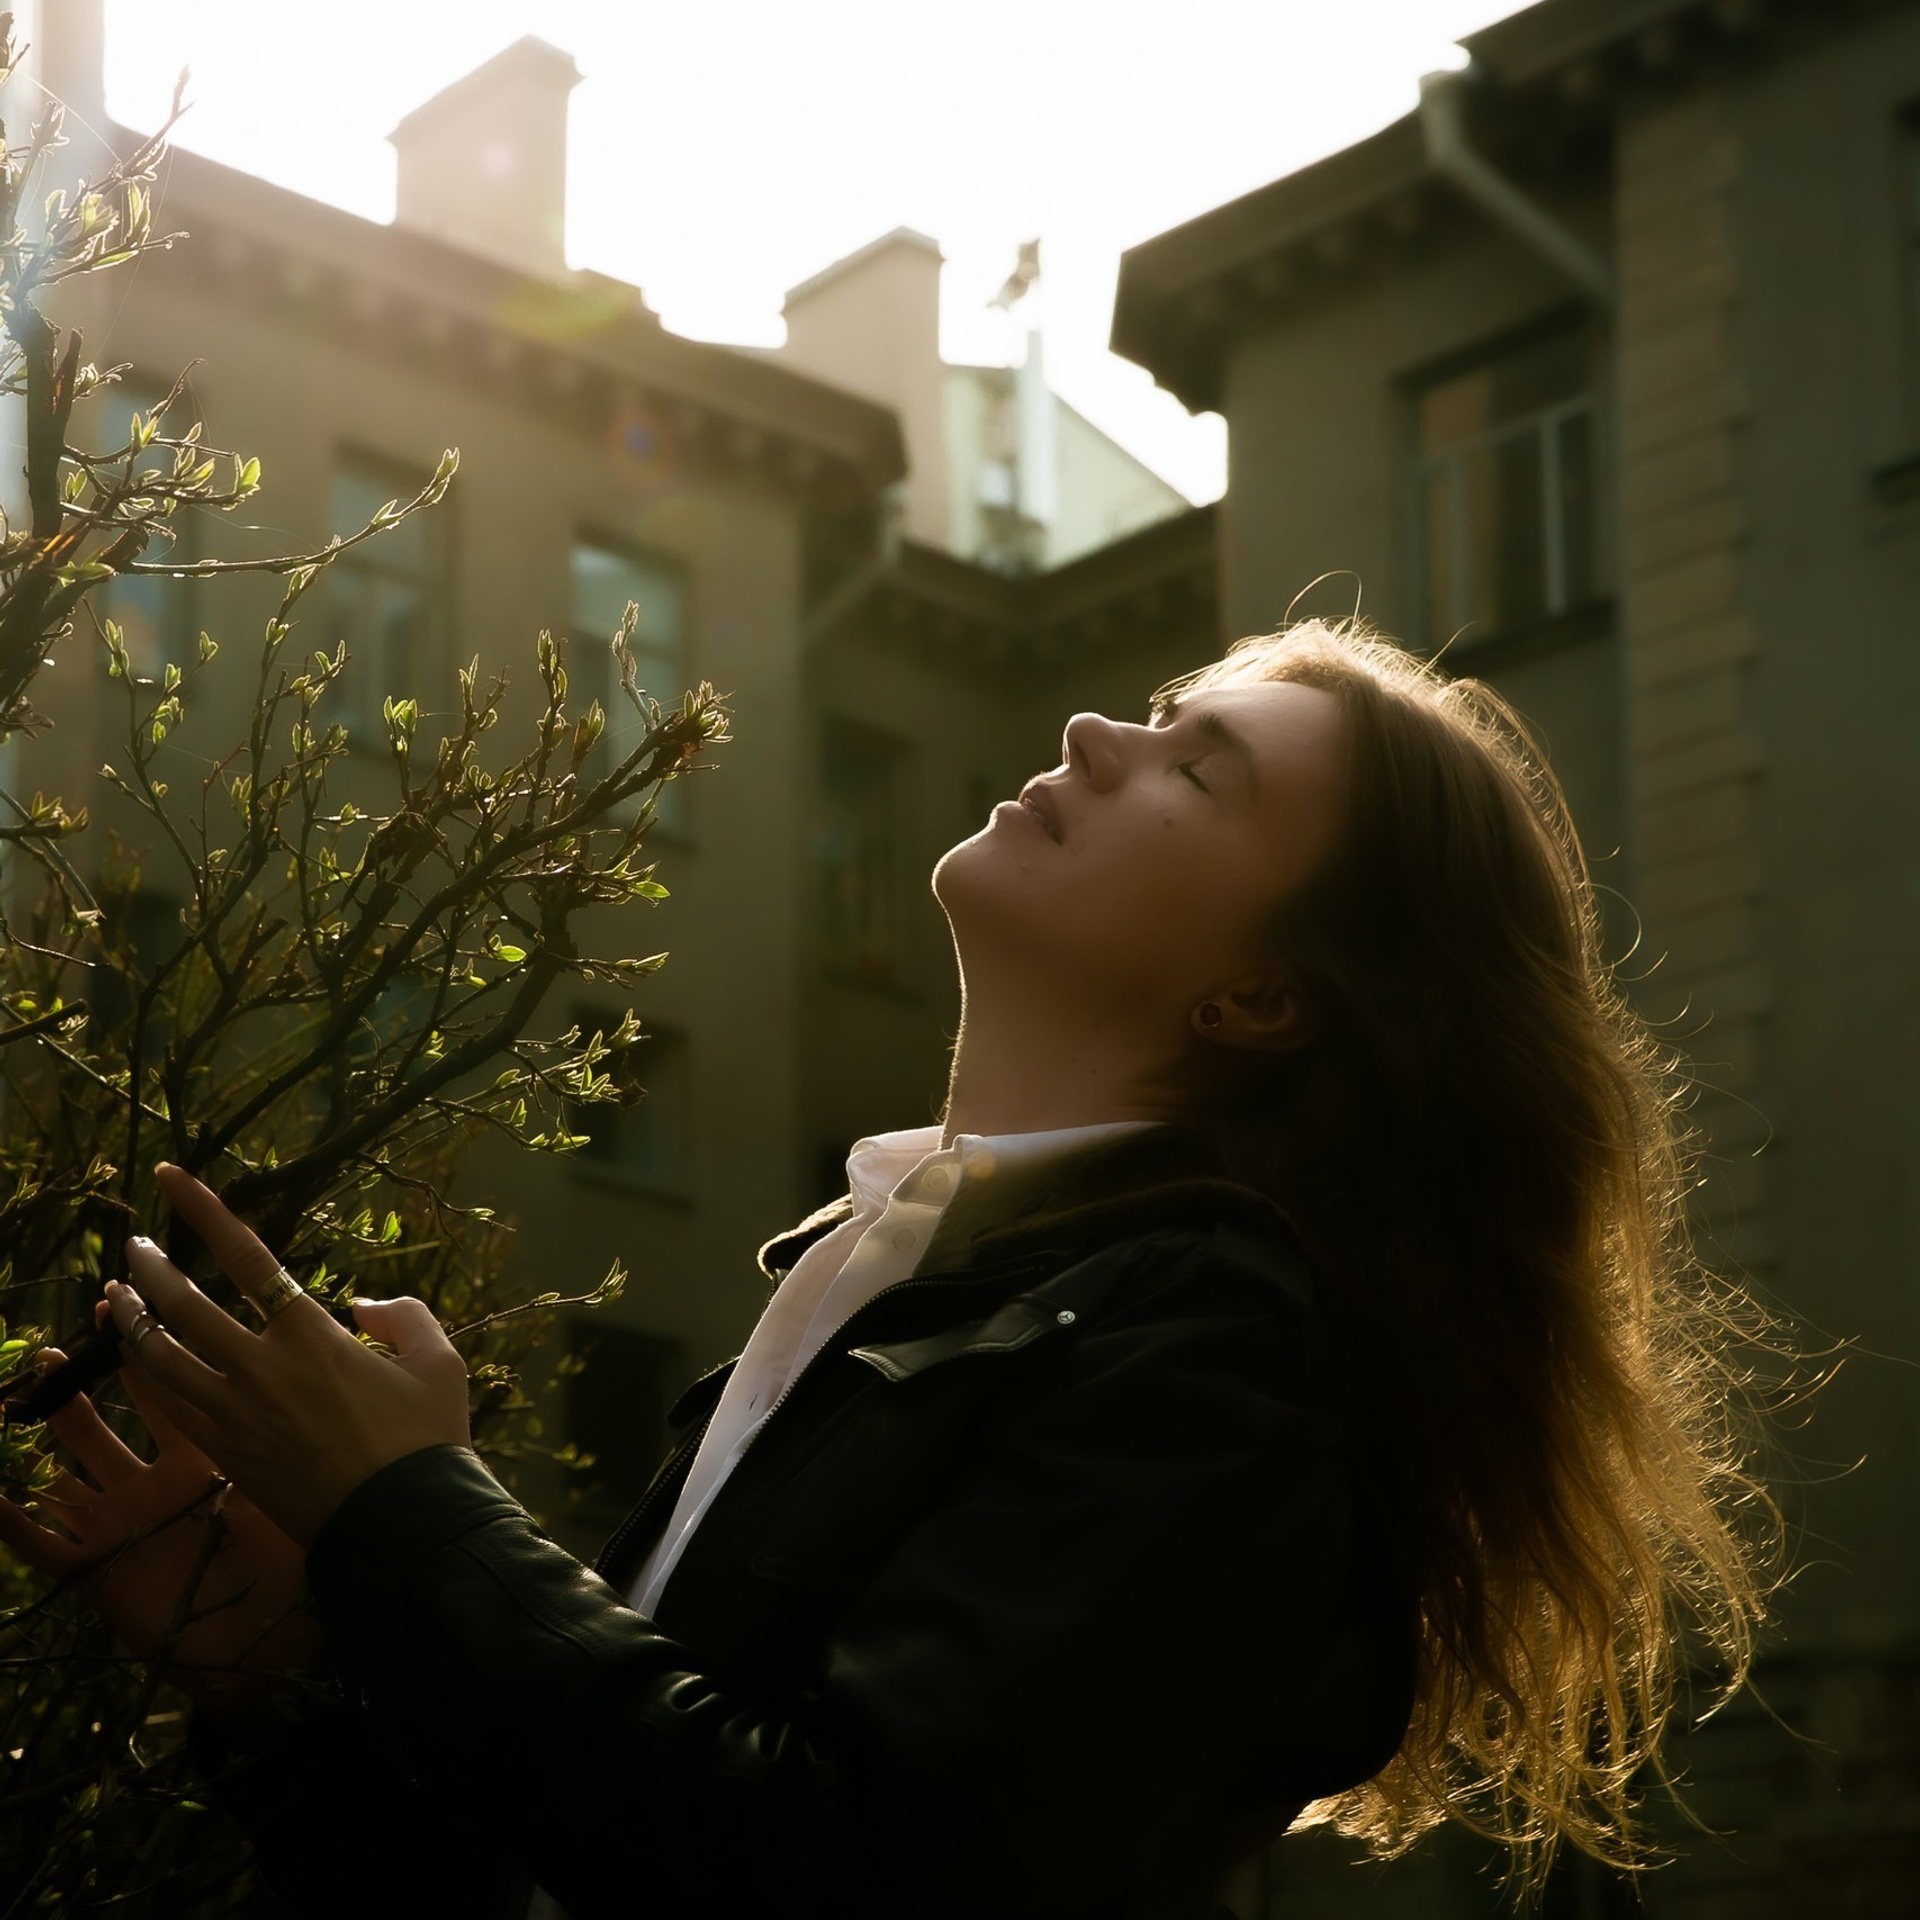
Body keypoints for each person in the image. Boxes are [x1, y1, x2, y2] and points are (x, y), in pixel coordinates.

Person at [0, 618, 1784, 1918]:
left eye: (1197, 768)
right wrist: (282, 1676)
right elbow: (592, 1873)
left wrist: (407, 1511)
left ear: (1264, 998)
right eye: (1161, 715)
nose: (1096, 731)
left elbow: (843, 1879)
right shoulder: (871, 1293)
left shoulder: (1219, 1366)